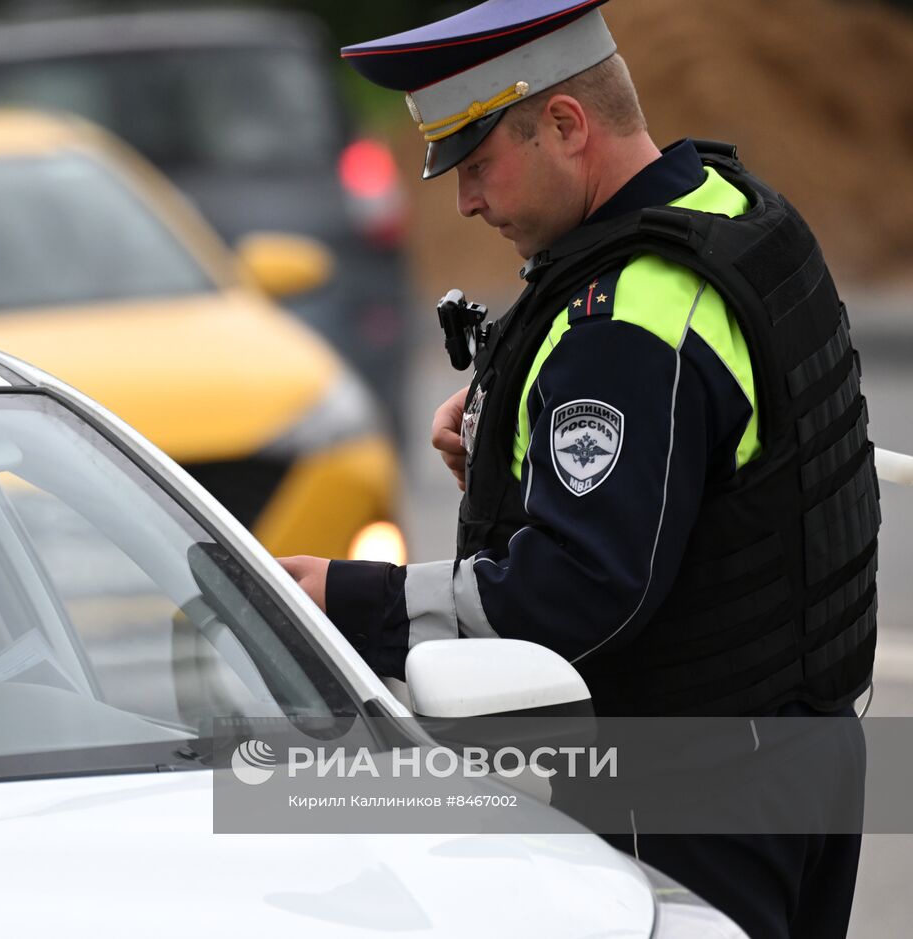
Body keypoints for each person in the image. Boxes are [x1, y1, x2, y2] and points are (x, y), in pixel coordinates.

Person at [278, 2, 877, 937]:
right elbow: (719, 473)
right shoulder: (731, 211)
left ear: (565, 124)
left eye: (478, 164)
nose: (467, 200)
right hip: (797, 754)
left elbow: (579, 591)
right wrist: (507, 441)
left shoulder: (628, 320)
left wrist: (349, 600)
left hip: (690, 791)